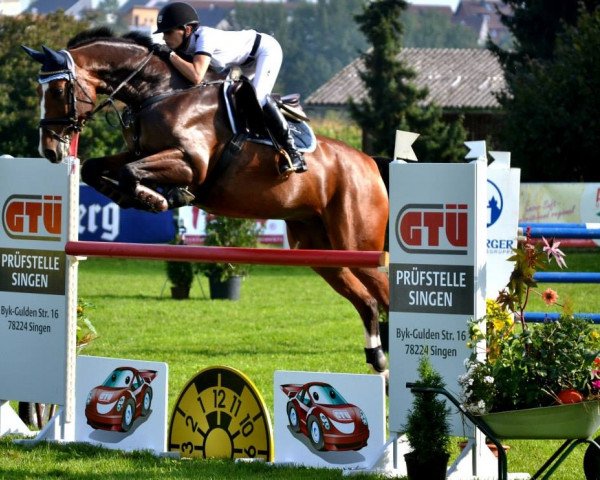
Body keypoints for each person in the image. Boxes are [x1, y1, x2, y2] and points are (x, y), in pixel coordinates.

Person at [153, 1, 307, 176]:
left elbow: (196, 76)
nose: (164, 37)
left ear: (187, 30)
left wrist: (170, 55)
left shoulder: (205, 38)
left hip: (265, 51)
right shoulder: (185, 48)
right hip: (243, 64)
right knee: (230, 103)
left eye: (168, 32)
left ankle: (293, 153)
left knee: (259, 99)